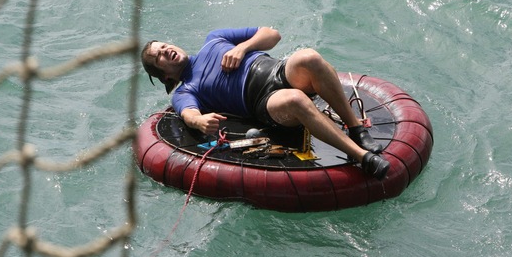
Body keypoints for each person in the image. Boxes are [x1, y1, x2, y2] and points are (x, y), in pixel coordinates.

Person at [141, 26, 390, 180]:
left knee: (309, 57)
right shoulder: (185, 89)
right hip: (264, 100)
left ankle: (356, 129)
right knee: (294, 99)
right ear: (164, 75)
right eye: (159, 56)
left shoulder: (214, 39)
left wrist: (242, 48)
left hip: (280, 71)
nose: (166, 51)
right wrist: (199, 120)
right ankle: (362, 156)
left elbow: (272, 34)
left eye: (164, 46)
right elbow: (189, 114)